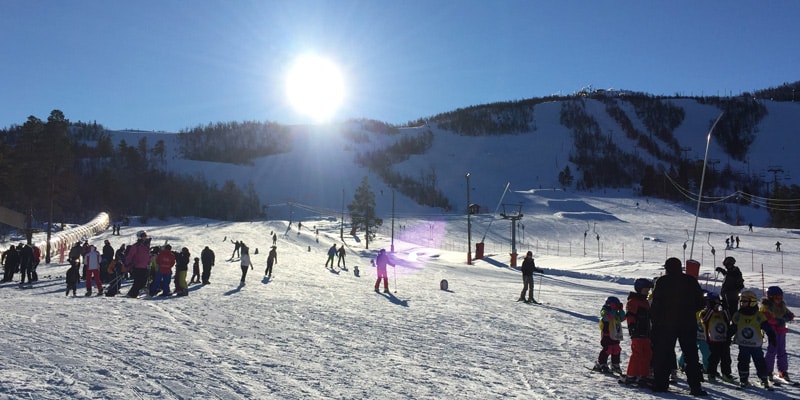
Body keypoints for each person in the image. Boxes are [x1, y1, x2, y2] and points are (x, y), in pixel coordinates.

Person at [650, 257, 707, 396]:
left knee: (663, 354)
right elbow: (701, 302)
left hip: (666, 324)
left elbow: (655, 304)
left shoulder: (662, 281)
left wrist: (655, 322)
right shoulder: (690, 280)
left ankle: (661, 385)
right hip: (687, 324)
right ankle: (695, 387)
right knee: (691, 356)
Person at [730, 290, 776, 389]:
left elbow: (766, 327)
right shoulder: (738, 315)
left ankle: (764, 379)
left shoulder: (758, 316)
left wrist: (771, 335)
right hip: (743, 344)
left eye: (745, 302)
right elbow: (733, 327)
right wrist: (728, 334)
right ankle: (743, 379)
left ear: (752, 302)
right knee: (743, 362)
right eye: (741, 302)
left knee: (759, 362)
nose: (742, 304)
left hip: (755, 345)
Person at [760, 286, 795, 383]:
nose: (779, 300)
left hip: (781, 331)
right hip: (772, 331)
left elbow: (790, 314)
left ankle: (782, 371)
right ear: (770, 297)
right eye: (777, 297)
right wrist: (777, 321)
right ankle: (768, 371)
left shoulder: (782, 306)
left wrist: (787, 317)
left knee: (782, 351)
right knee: (772, 351)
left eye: (781, 297)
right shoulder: (766, 306)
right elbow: (766, 318)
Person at [623, 278, 653, 385]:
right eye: (646, 289)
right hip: (637, 332)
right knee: (637, 354)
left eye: (648, 289)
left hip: (646, 333)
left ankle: (642, 375)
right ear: (639, 289)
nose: (648, 291)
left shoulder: (645, 302)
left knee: (647, 354)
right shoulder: (633, 301)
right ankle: (631, 375)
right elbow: (630, 316)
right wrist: (632, 328)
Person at [700, 292, 735, 383]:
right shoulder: (704, 313)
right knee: (714, 358)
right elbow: (705, 319)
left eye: (717, 304)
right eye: (714, 304)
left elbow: (728, 319)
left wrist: (725, 307)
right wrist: (711, 308)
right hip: (712, 340)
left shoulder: (721, 313)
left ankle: (726, 374)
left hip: (724, 340)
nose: (716, 306)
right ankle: (711, 373)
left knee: (726, 358)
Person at [593, 296, 625, 375]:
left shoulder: (616, 314)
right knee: (608, 349)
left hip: (615, 335)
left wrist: (620, 310)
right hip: (607, 335)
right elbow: (608, 318)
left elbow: (623, 318)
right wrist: (613, 309)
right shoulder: (604, 311)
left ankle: (615, 364)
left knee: (616, 349)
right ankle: (601, 363)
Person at [125, 230, 152, 298]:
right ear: (139, 237)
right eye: (143, 236)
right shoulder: (136, 246)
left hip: (144, 266)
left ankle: (132, 293)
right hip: (137, 266)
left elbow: (147, 255)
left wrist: (149, 261)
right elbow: (130, 255)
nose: (144, 237)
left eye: (145, 236)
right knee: (137, 282)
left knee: (143, 282)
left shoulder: (146, 246)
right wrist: (128, 265)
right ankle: (132, 294)